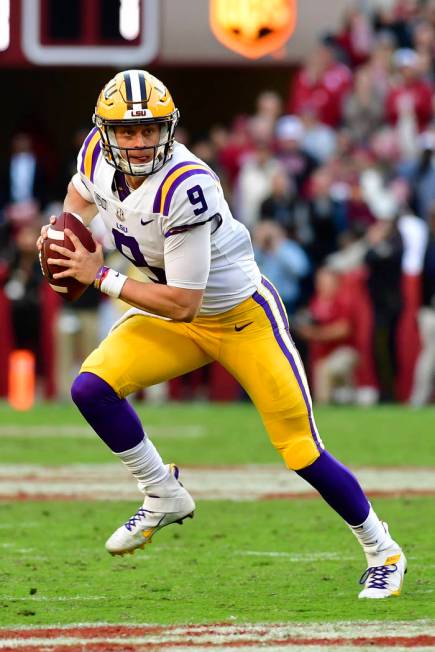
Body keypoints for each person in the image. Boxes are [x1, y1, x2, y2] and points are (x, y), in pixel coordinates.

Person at [38, 70, 406, 599]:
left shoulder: (186, 184)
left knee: (300, 450)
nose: (138, 142)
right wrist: (64, 239)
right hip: (171, 312)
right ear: (106, 130)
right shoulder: (98, 153)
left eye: (150, 130)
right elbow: (80, 195)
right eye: (127, 131)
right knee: (90, 388)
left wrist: (98, 274)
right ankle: (161, 493)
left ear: (169, 129)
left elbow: (185, 304)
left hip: (238, 319)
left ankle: (383, 550)